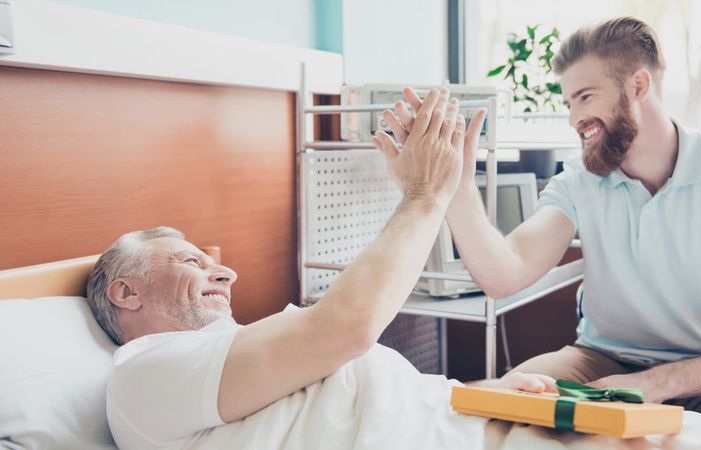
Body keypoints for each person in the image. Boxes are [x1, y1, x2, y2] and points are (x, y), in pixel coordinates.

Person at [85, 88, 556, 449]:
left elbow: (371, 402)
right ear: (126, 293)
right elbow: (348, 329)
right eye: (191, 261)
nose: (227, 275)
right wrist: (426, 193)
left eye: (215, 265)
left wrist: (482, 394)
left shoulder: (249, 354)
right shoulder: (141, 377)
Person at [379, 17, 701, 415]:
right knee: (511, 400)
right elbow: (504, 274)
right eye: (568, 102)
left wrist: (659, 384)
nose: (574, 119)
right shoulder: (579, 178)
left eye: (585, 97)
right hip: (601, 365)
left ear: (638, 85)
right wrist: (456, 187)